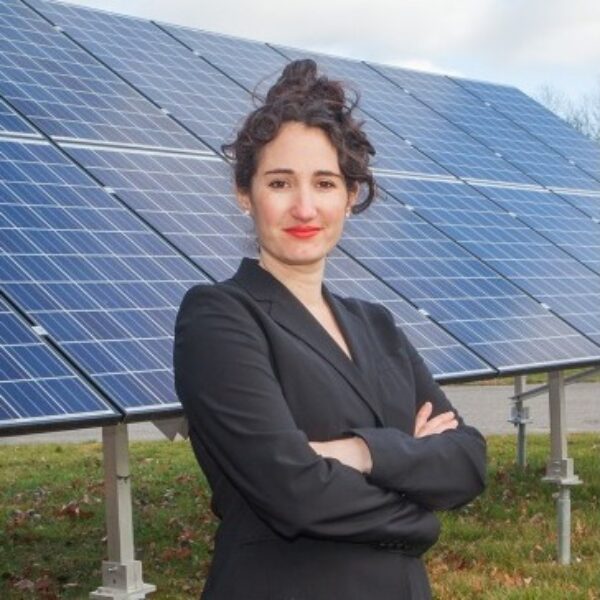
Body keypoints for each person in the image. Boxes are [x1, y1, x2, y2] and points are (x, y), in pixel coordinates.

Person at [173, 59, 486, 600]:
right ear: (245, 194)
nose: (304, 206)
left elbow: (466, 460)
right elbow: (292, 490)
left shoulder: (377, 325)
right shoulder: (219, 317)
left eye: (325, 182)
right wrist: (420, 518)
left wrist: (359, 452)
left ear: (348, 196)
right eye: (279, 182)